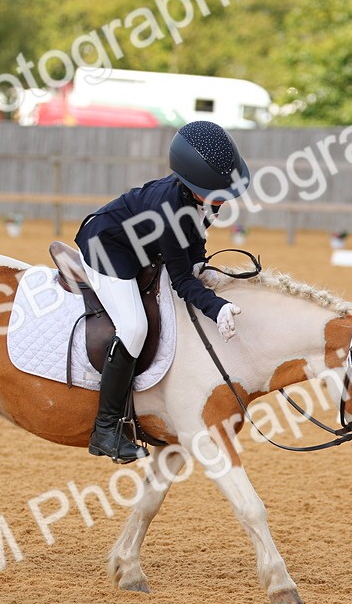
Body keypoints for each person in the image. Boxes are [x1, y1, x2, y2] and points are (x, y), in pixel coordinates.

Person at [74, 121, 248, 464]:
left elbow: (194, 241)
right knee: (134, 327)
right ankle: (106, 430)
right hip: (106, 249)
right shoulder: (169, 210)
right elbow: (183, 282)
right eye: (216, 193)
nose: (222, 200)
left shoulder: (201, 195)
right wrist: (217, 307)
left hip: (141, 245)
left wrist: (203, 265)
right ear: (193, 183)